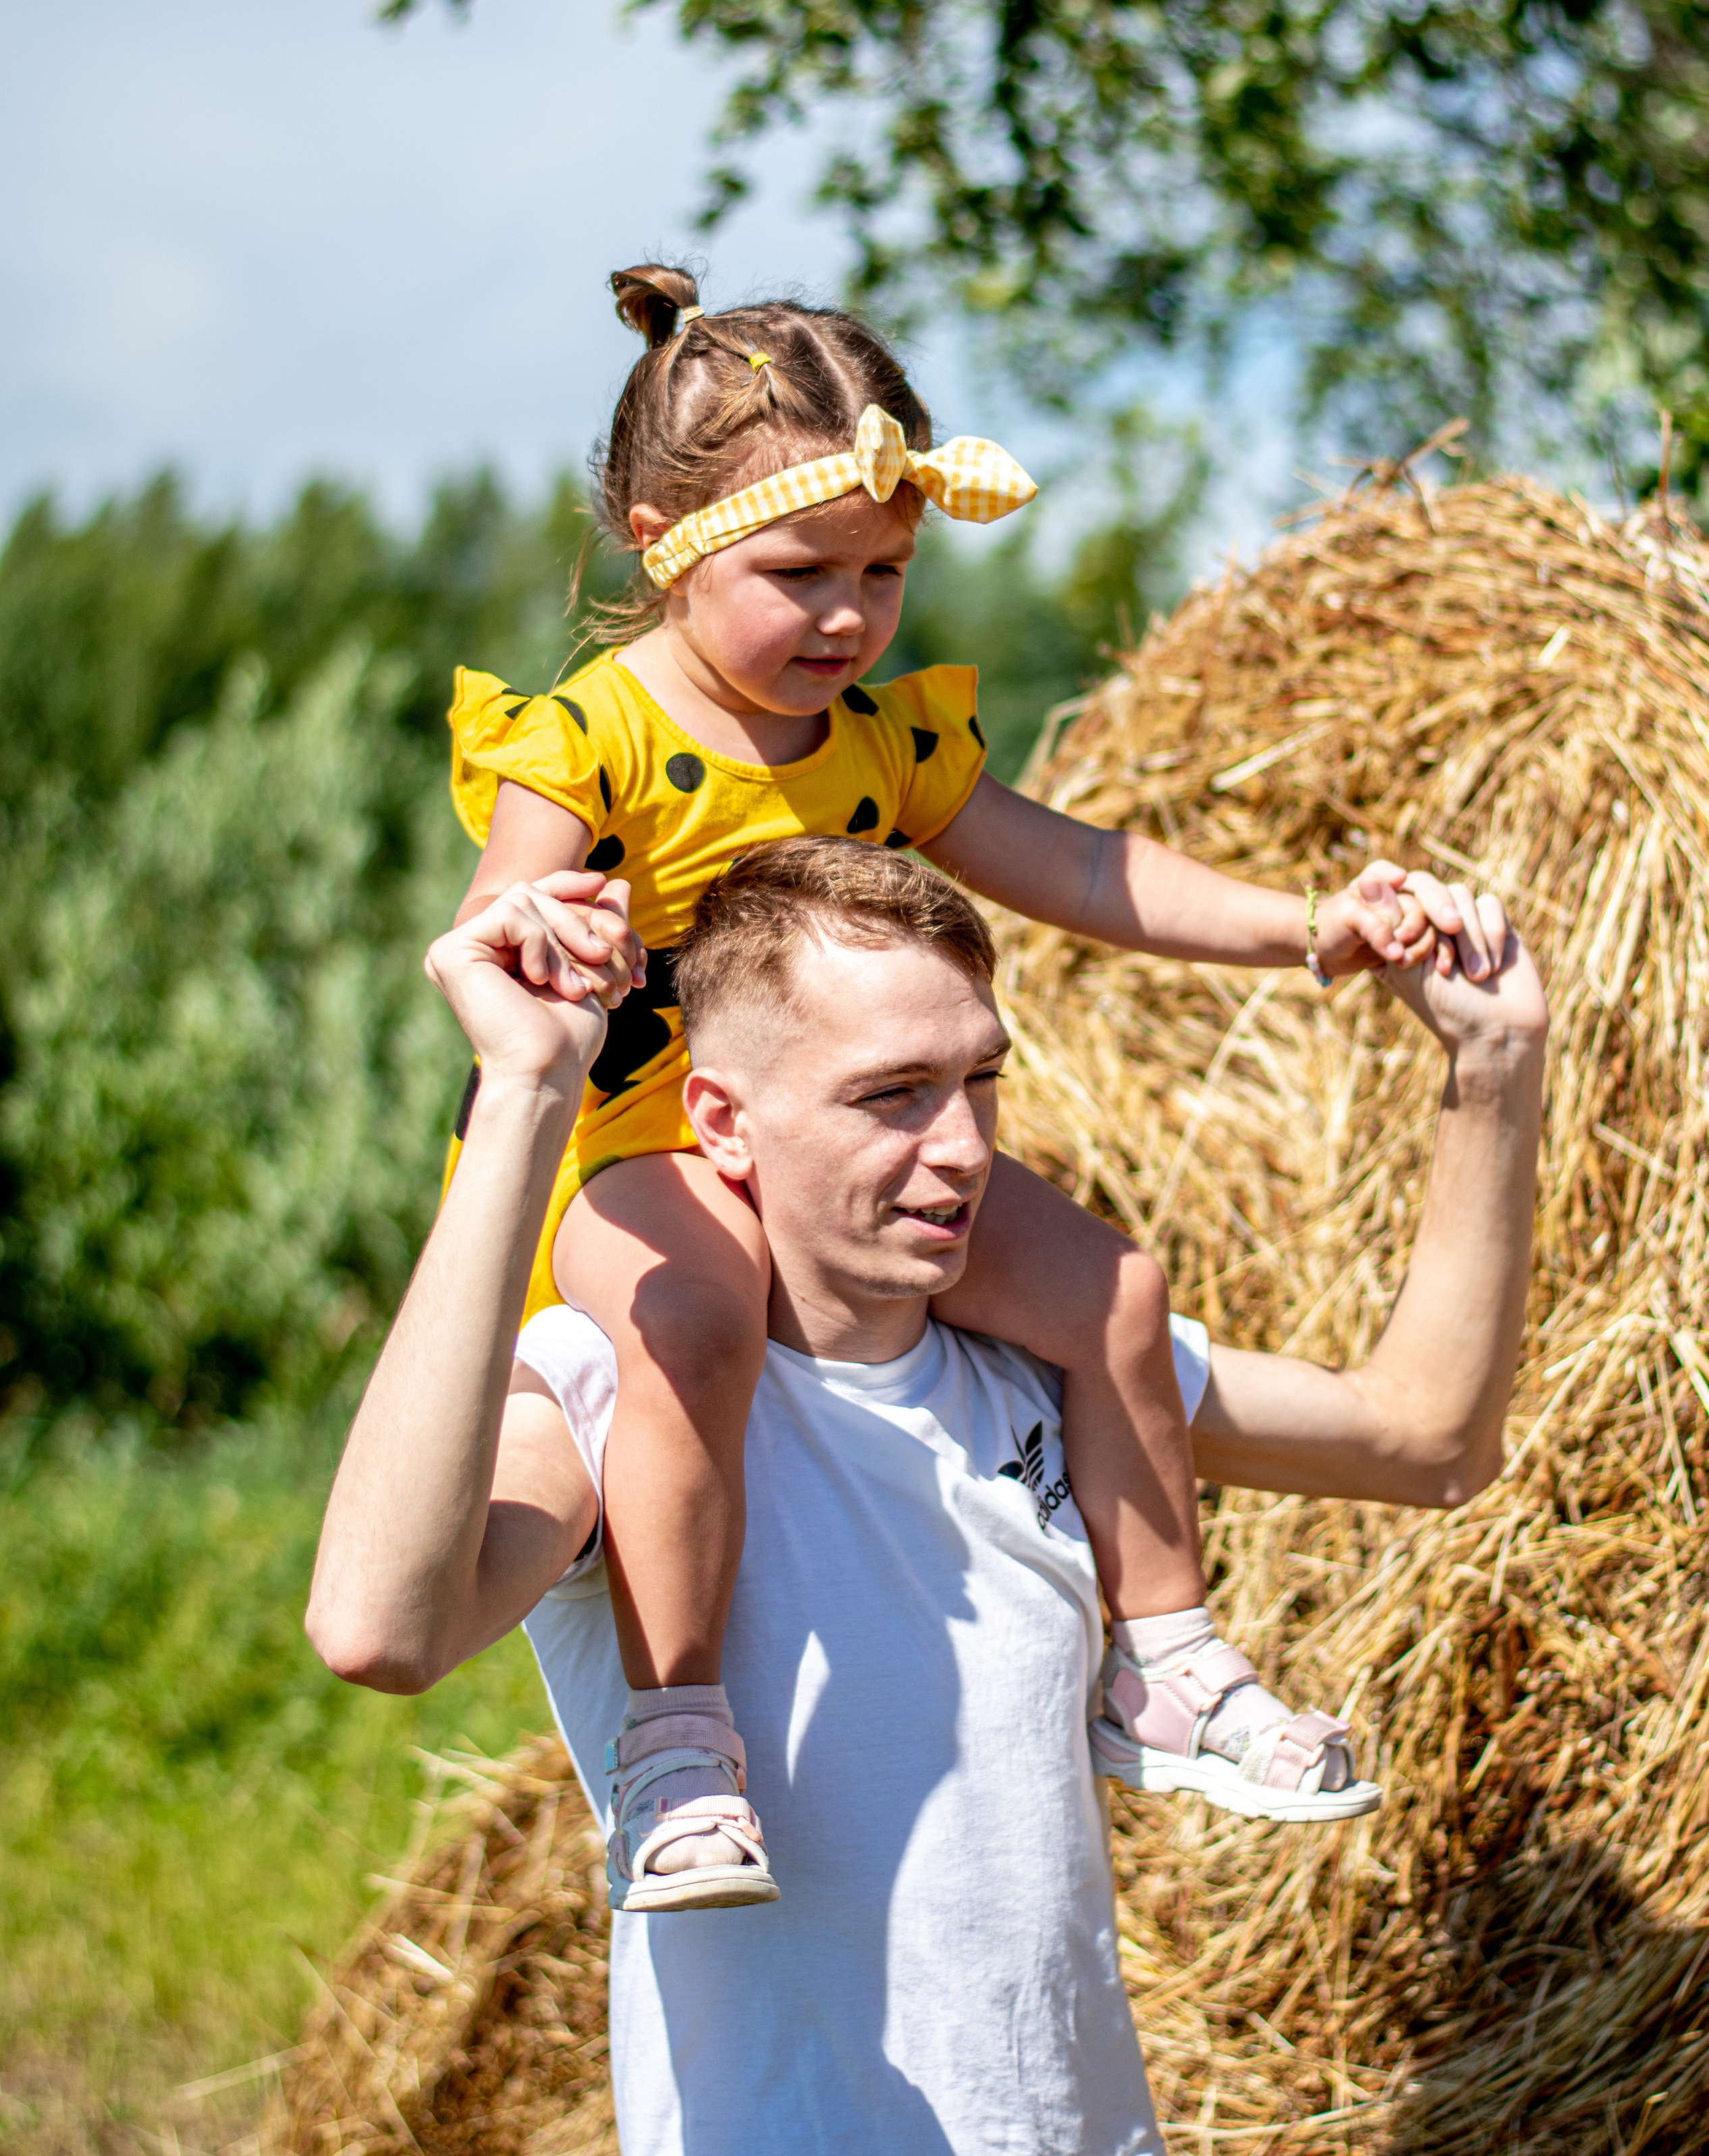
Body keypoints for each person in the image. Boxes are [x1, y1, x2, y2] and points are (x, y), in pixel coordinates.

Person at [437, 265, 1497, 1901]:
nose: (850, 616)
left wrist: (1310, 931)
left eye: (885, 571)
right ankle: (681, 1747)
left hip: (840, 1138)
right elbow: (487, 929)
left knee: (1115, 1295)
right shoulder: (587, 741)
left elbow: (1078, 870)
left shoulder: (878, 740)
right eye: (801, 575)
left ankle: (1164, 1661)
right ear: (662, 539)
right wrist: (536, 925)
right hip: (633, 1137)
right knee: (700, 1329)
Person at [307, 837, 1548, 2156]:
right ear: (723, 1122)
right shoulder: (625, 1392)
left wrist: (1493, 1067)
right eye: (890, 1096)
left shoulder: (1045, 1373)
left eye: (979, 1080)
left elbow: (1424, 1443)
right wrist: (519, 1093)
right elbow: (382, 1626)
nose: (960, 1149)